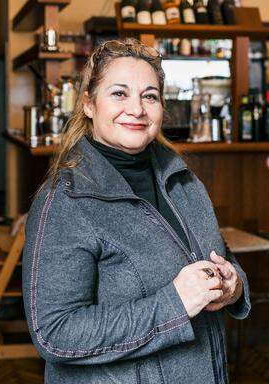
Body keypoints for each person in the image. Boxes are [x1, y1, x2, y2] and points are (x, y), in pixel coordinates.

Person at [23, 39, 250, 384]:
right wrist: (174, 305)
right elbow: (55, 334)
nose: (137, 109)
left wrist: (233, 285)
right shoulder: (65, 202)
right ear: (88, 104)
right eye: (119, 94)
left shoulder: (184, 182)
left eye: (149, 96)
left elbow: (222, 260)